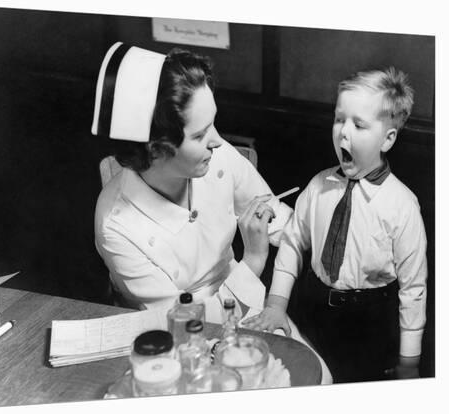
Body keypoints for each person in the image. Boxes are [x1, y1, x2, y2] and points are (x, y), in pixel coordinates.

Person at [92, 42, 332, 383]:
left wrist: (324, 236)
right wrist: (252, 262)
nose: (218, 141)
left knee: (321, 380)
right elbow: (182, 323)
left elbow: (274, 214)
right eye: (201, 134)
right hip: (177, 341)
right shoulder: (116, 223)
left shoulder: (217, 159)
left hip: (247, 309)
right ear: (158, 148)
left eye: (213, 125)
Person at [243, 67, 427, 383]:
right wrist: (276, 304)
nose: (343, 132)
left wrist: (409, 361)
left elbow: (413, 289)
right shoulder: (317, 187)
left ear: (388, 139)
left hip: (369, 322)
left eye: (359, 124)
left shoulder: (403, 206)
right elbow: (292, 243)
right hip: (311, 309)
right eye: (339, 119)